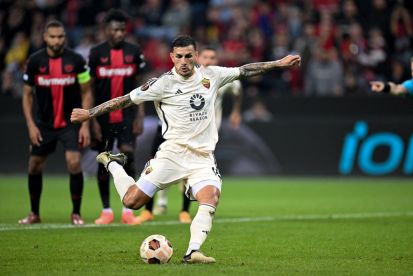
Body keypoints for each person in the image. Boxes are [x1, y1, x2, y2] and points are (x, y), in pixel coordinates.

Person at [71, 35, 300, 263]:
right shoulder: (162, 83)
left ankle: (192, 252)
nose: (183, 61)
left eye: (188, 56)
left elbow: (246, 70)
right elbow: (125, 100)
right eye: (179, 56)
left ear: (196, 56)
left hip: (202, 158)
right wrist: (90, 113)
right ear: (172, 57)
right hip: (171, 155)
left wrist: (278, 64)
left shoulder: (212, 75)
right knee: (131, 202)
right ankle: (113, 162)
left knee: (211, 197)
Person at [138, 46, 243, 224]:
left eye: (213, 57)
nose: (209, 61)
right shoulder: (177, 78)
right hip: (169, 130)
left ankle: (183, 211)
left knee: (188, 172)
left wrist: (236, 112)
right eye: (206, 57)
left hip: (200, 135)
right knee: (159, 166)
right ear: (197, 58)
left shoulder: (219, 77)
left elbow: (238, 89)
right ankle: (153, 207)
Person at [20, 20, 92, 225]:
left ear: (64, 37)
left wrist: (85, 123)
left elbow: (87, 91)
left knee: (74, 162)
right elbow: (26, 96)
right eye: (52, 36)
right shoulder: (34, 61)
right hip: (43, 124)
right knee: (34, 164)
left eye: (60, 36)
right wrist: (31, 125)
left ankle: (76, 213)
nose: (57, 40)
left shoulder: (77, 60)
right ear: (45, 37)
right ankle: (34, 213)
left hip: (70, 123)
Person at [88, 9, 146, 225]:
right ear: (106, 30)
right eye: (115, 29)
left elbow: (142, 88)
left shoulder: (134, 52)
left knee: (128, 156)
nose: (119, 33)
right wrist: (92, 119)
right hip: (102, 118)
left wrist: (140, 116)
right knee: (103, 160)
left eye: (122, 29)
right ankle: (106, 210)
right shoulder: (96, 53)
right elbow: (90, 89)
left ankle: (127, 210)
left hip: (128, 116)